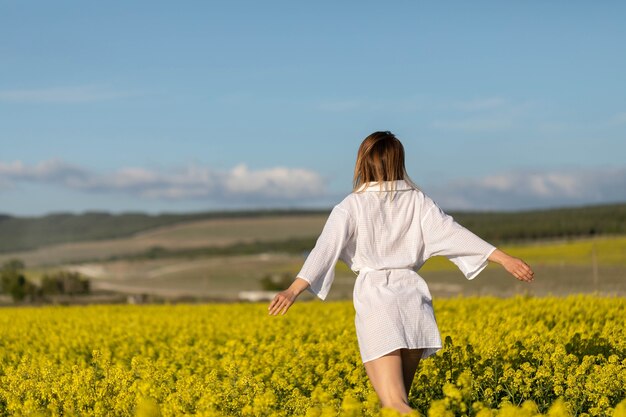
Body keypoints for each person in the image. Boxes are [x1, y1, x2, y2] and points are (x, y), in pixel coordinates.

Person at [268, 131, 534, 415]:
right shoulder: (419, 201)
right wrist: (503, 258)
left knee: (395, 407)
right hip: (414, 305)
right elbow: (452, 233)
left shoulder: (352, 205)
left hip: (378, 304)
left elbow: (324, 250)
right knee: (400, 404)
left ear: (363, 163)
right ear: (399, 162)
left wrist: (293, 289)